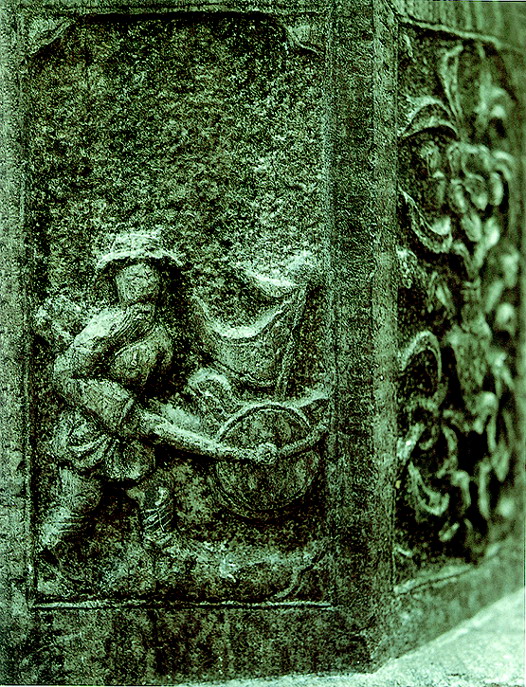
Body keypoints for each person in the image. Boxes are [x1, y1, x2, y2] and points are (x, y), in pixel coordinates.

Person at [40, 231, 275, 562]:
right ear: (119, 279)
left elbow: (153, 400)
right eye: (134, 274)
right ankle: (43, 557)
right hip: (91, 434)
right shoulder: (109, 324)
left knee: (156, 490)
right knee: (79, 504)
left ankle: (162, 544)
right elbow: (65, 373)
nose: (144, 282)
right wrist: (111, 403)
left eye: (151, 273)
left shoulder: (159, 332)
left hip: (130, 433)